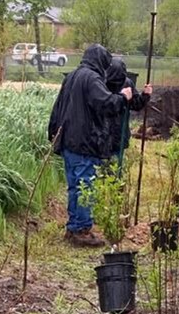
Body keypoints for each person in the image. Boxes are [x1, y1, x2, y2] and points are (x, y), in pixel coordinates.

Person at [47, 44, 145, 246]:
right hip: (84, 141)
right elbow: (106, 103)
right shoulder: (91, 78)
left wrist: (54, 133)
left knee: (75, 186)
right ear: (100, 61)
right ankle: (82, 229)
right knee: (85, 186)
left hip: (67, 141)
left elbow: (57, 108)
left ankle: (74, 227)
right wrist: (123, 97)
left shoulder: (72, 76)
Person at [102, 55, 150, 170]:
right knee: (102, 167)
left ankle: (116, 185)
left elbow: (135, 104)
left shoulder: (127, 83)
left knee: (117, 166)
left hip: (120, 132)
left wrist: (145, 95)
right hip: (103, 133)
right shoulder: (101, 84)